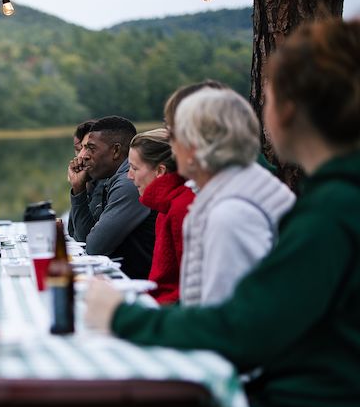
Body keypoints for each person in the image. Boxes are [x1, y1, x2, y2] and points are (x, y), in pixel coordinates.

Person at [86, 18, 360, 407]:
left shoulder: (331, 212)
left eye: (269, 98)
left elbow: (243, 330)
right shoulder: (332, 199)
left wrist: (121, 317)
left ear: (291, 110)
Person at [169, 88, 295, 305]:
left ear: (194, 146)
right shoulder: (245, 187)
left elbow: (226, 319)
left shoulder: (230, 215)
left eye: (172, 135)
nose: (170, 146)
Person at [72, 116, 156, 279]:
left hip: (141, 286)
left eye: (91, 148)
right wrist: (79, 189)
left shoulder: (128, 184)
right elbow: (81, 239)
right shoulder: (110, 179)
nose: (84, 156)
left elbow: (94, 248)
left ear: (116, 151)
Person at [127, 128, 194, 304]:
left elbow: (189, 289)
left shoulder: (182, 209)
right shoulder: (165, 209)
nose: (129, 176)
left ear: (160, 171)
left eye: (134, 168)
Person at [66, 120, 104, 239]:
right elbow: (72, 231)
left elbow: (84, 237)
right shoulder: (91, 181)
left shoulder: (104, 183)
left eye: (88, 148)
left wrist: (79, 188)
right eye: (78, 149)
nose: (80, 156)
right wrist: (80, 186)